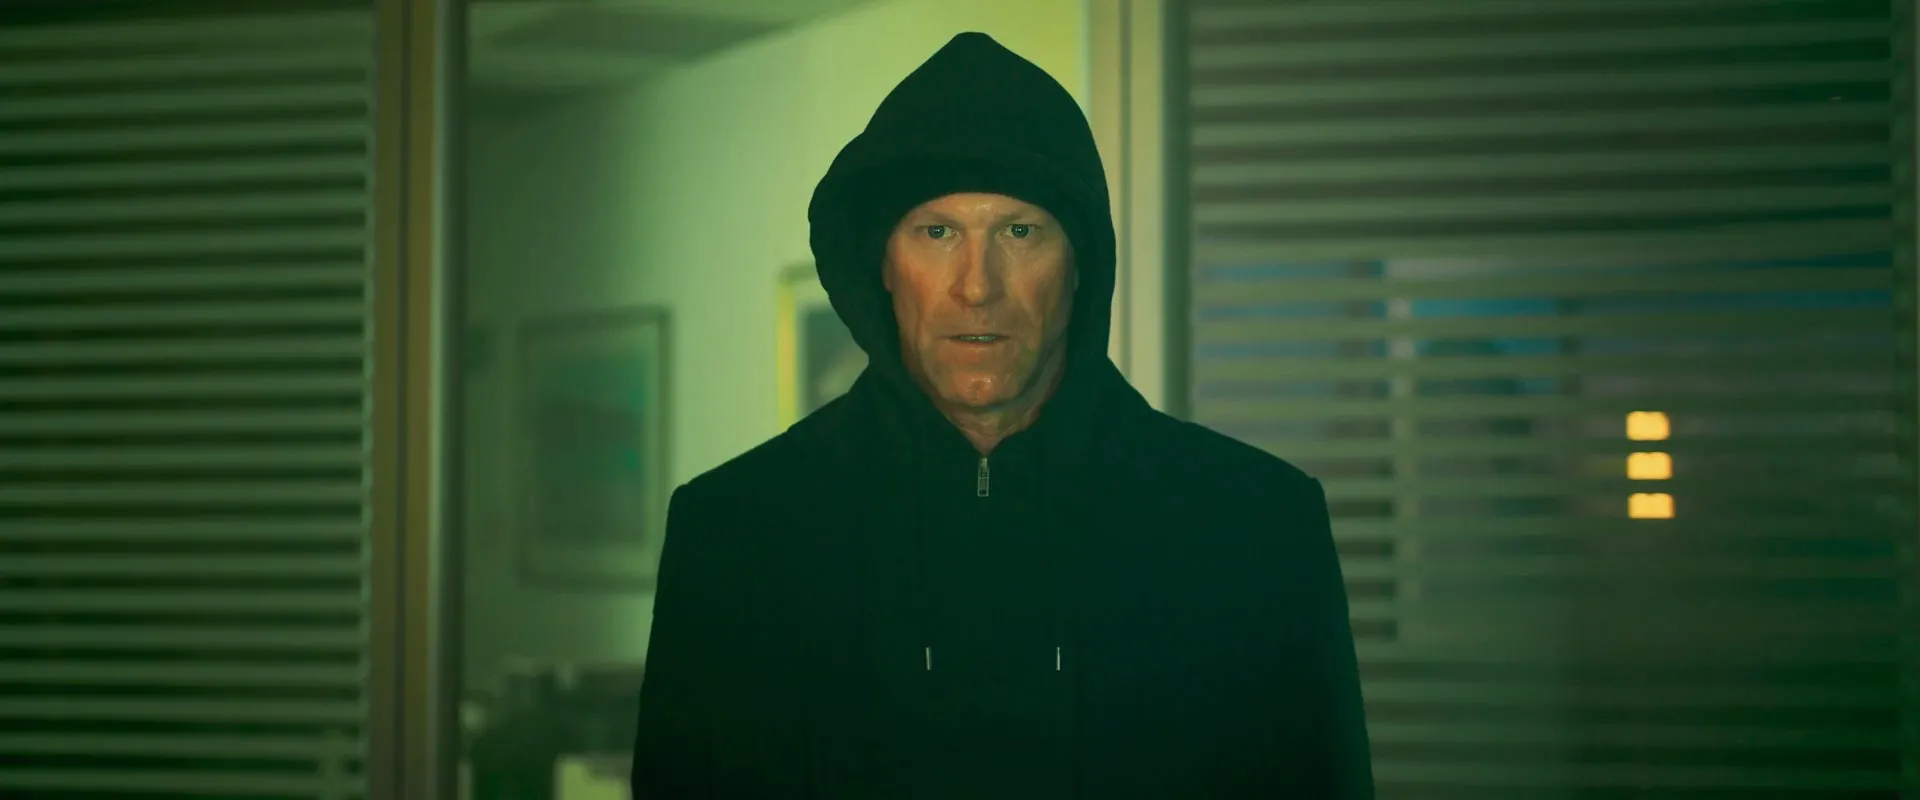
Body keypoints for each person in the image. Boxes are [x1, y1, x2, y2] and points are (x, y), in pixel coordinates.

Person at [630, 31, 1373, 799]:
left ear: (1080, 263)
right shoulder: (736, 535)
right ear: (883, 265)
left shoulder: (1254, 530)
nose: (977, 286)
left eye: (1020, 232)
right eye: (937, 232)